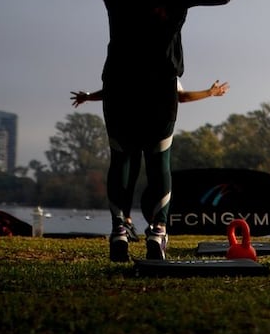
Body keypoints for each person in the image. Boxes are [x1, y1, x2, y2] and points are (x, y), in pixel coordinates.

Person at [27, 0, 255, 261]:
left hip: (119, 87)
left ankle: (119, 230)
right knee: (158, 160)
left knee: (121, 159)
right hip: (159, 91)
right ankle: (157, 232)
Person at [70, 80, 230, 242]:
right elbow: (181, 97)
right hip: (156, 125)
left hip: (126, 122)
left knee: (127, 168)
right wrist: (209, 93)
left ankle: (122, 224)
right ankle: (157, 226)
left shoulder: (128, 67)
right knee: (157, 171)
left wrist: (89, 97)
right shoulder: (164, 68)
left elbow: (112, 91)